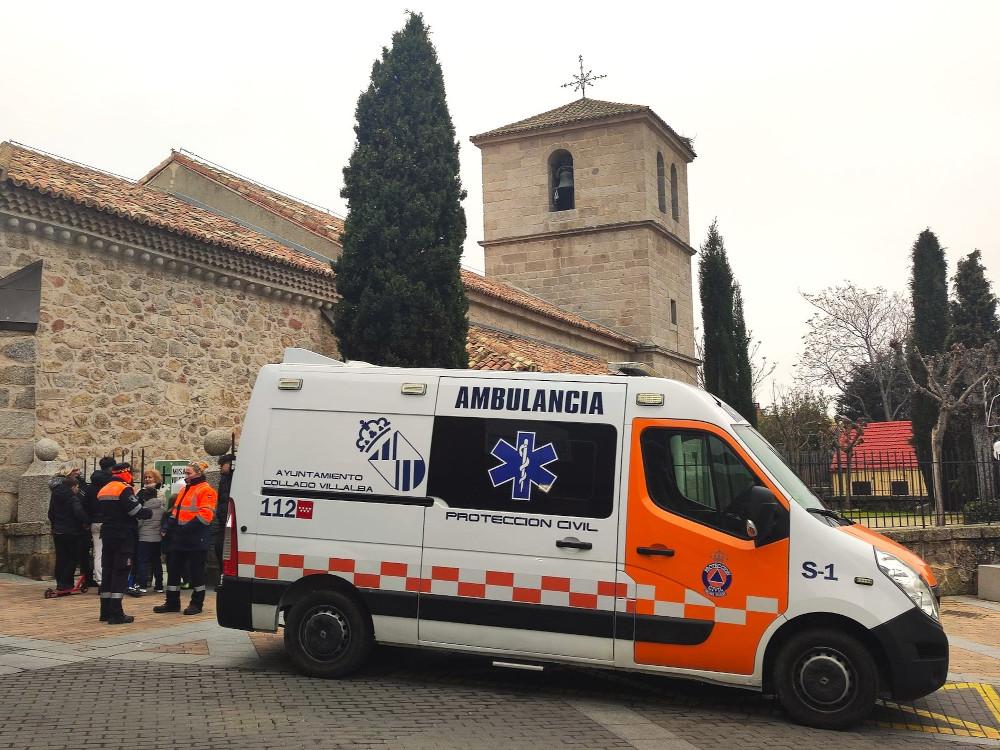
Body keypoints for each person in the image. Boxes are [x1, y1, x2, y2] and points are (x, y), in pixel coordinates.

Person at [154, 461, 217, 616]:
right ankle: (172, 603)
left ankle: (196, 604)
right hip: (180, 537)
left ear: (199, 474)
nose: (186, 476)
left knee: (197, 573)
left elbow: (205, 517)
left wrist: (183, 529)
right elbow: (175, 512)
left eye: (188, 473)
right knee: (173, 570)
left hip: (196, 538)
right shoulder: (184, 490)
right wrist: (167, 527)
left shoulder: (207, 491)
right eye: (186, 473)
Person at [95, 463, 151, 624]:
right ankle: (116, 613)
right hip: (123, 535)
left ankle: (104, 612)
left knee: (108, 571)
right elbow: (135, 511)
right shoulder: (124, 488)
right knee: (120, 572)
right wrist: (148, 511)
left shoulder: (104, 489)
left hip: (107, 534)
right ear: (125, 473)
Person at [47, 467, 90, 592]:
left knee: (61, 557)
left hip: (58, 531)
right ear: (73, 487)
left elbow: (51, 513)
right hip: (71, 531)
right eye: (77, 487)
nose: (77, 490)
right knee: (72, 557)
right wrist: (86, 521)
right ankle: (67, 583)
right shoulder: (73, 498)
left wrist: (55, 525)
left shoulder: (55, 495)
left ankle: (60, 582)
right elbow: (79, 513)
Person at [130, 468, 165, 595]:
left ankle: (143, 584)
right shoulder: (161, 508)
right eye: (146, 477)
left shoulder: (145, 508)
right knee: (157, 561)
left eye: (150, 477)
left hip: (144, 537)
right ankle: (159, 585)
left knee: (142, 561)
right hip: (157, 538)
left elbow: (139, 522)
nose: (147, 479)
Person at [85, 457, 115, 590]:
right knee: (112, 552)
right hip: (109, 521)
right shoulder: (111, 485)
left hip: (95, 521)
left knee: (98, 552)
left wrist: (89, 519)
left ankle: (100, 580)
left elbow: (86, 505)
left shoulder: (91, 486)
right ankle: (110, 579)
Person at [212, 453, 235, 570]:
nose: (220, 467)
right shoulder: (224, 479)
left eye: (222, 464)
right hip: (223, 519)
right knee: (219, 548)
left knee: (223, 548)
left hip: (229, 519)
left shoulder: (234, 478)